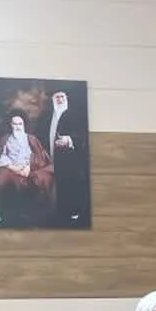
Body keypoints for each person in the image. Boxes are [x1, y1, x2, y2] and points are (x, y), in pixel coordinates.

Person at [0, 111, 54, 225]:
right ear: (11, 125)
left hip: (30, 168)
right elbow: (2, 157)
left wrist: (28, 167)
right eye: (15, 124)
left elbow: (39, 156)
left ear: (24, 125)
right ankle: (12, 214)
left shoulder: (31, 139)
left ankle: (33, 214)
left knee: (41, 178)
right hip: (11, 168)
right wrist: (13, 168)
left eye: (20, 124)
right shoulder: (5, 139)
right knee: (3, 178)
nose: (18, 127)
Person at [39, 88, 90, 227]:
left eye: (62, 96)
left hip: (70, 161)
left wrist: (69, 140)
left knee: (69, 187)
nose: (60, 100)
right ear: (53, 99)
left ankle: (72, 216)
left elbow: (84, 136)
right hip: (49, 159)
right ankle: (55, 214)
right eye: (57, 97)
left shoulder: (75, 115)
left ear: (66, 98)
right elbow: (40, 136)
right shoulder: (46, 117)